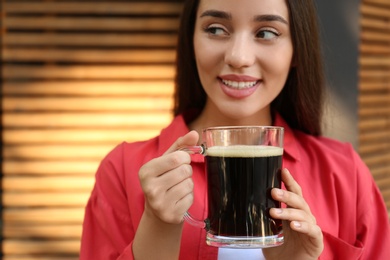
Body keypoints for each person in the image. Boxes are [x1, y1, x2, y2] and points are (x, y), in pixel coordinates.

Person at [80, 0, 390, 259]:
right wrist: (157, 229)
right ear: (191, 40)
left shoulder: (345, 173)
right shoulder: (122, 171)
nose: (238, 58)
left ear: (297, 50)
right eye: (215, 29)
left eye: (267, 32)